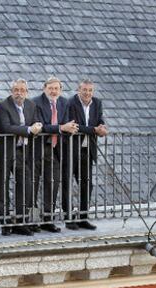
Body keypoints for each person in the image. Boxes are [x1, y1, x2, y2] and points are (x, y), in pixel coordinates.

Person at [0, 78, 42, 236]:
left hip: (22, 151)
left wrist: (37, 126)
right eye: (16, 90)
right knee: (2, 187)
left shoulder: (31, 105)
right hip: (4, 152)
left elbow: (36, 123)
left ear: (27, 92)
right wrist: (29, 130)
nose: (19, 93)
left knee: (25, 185)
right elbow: (6, 127)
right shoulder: (2, 106)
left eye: (22, 90)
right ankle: (6, 223)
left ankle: (21, 221)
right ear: (11, 91)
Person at [33, 77, 78, 233]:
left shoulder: (64, 103)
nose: (53, 91)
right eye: (50, 88)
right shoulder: (36, 102)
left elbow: (66, 122)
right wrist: (61, 128)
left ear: (60, 90)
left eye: (56, 88)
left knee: (52, 184)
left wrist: (69, 128)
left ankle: (48, 219)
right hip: (38, 148)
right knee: (33, 184)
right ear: (44, 88)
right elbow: (41, 126)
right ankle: (32, 220)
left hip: (55, 149)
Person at [66, 79, 108, 230]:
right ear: (79, 90)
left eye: (90, 90)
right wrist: (94, 130)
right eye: (85, 90)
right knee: (68, 185)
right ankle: (69, 219)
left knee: (86, 184)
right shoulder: (70, 103)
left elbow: (99, 120)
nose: (87, 93)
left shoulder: (97, 103)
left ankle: (83, 217)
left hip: (87, 150)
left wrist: (102, 127)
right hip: (71, 149)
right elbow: (74, 126)